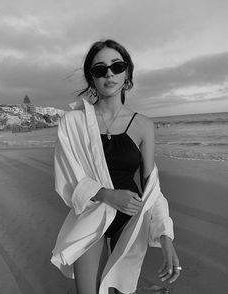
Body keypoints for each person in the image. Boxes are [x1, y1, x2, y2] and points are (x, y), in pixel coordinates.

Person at [51, 39, 181, 294]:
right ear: (92, 77)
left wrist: (166, 237)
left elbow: (151, 185)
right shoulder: (72, 122)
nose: (109, 73)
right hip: (90, 212)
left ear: (127, 74)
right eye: (100, 69)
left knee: (121, 287)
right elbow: (67, 175)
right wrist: (108, 195)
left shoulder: (143, 125)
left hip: (130, 216)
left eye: (117, 66)